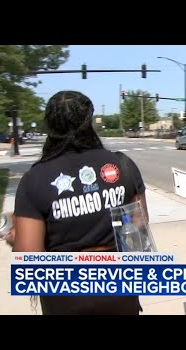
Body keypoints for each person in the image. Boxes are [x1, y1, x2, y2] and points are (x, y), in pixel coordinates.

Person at [12, 90, 147, 315]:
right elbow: (139, 228)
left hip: (65, 298)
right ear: (89, 121)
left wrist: (14, 237)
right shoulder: (122, 165)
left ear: (50, 127)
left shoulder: (34, 180)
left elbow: (29, 259)